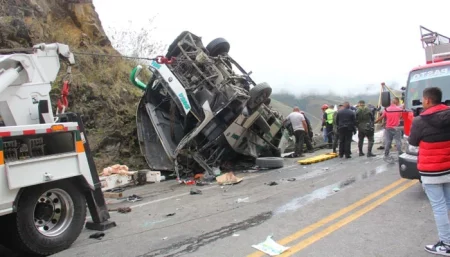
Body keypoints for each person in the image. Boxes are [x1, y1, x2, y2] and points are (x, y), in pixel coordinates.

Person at [407, 87, 450, 255]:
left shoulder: (420, 121)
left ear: (427, 100)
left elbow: (413, 142)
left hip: (431, 170)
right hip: (448, 167)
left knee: (439, 207)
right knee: (448, 203)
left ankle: (446, 244)